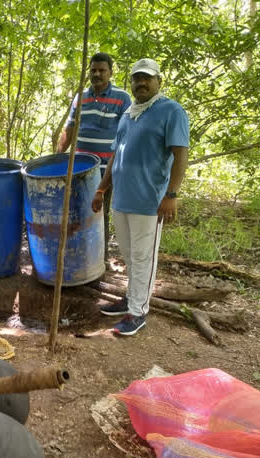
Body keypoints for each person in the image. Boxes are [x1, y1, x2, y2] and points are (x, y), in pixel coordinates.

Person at [92, 58, 189, 336]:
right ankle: (130, 299)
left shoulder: (171, 111)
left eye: (147, 78)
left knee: (144, 257)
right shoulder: (129, 113)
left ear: (159, 80)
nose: (141, 83)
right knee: (130, 256)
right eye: (136, 78)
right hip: (122, 198)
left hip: (149, 201)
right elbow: (115, 155)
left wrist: (171, 194)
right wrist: (102, 188)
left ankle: (138, 312)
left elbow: (181, 154)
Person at [57, 52, 131, 259]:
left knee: (99, 214)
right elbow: (70, 128)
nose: (97, 74)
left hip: (105, 170)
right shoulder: (81, 97)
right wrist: (56, 157)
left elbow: (128, 133)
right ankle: (76, 255)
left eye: (102, 70)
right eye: (93, 70)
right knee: (75, 210)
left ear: (110, 72)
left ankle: (99, 259)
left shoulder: (122, 98)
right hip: (78, 169)